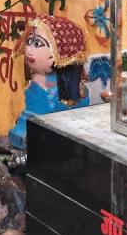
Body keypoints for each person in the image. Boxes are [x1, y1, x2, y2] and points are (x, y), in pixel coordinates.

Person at [8, 14, 90, 149]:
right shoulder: (36, 84)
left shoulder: (67, 91)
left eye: (37, 44)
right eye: (29, 41)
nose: (29, 50)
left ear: (61, 52)